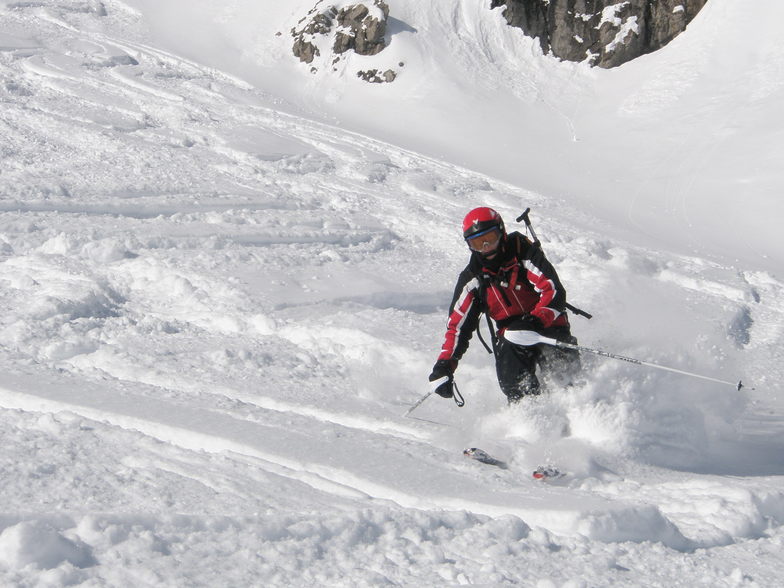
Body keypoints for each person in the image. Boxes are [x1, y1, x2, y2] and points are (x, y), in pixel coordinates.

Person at [429, 207, 579, 403]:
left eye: (490, 239)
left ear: (502, 232)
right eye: (477, 243)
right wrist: (444, 365)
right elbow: (457, 327)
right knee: (511, 373)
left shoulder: (521, 252)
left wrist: (536, 320)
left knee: (565, 378)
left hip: (547, 324)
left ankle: (578, 402)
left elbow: (553, 290)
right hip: (511, 338)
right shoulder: (473, 279)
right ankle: (527, 410)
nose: (486, 248)